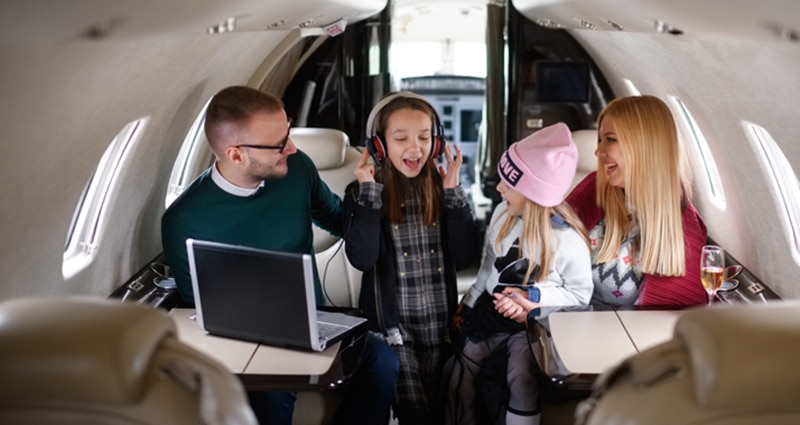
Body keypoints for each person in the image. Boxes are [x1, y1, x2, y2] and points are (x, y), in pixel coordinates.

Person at [161, 85, 398, 425]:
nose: (292, 147)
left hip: (316, 319)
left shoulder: (297, 169)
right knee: (273, 394)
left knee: (384, 362)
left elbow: (338, 220)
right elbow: (197, 309)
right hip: (243, 339)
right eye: (278, 144)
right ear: (236, 154)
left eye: (287, 131)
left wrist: (372, 199)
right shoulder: (184, 220)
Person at [343, 92, 479, 425]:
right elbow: (362, 258)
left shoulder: (444, 190)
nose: (414, 147)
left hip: (439, 328)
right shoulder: (361, 194)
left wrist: (453, 193)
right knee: (416, 415)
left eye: (424, 138)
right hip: (393, 330)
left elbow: (465, 255)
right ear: (379, 145)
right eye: (401, 138)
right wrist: (370, 195)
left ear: (437, 144)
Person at [444, 122, 593, 425]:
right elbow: (489, 265)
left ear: (534, 193)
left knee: (521, 377)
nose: (499, 188)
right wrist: (469, 303)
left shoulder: (566, 240)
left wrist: (533, 296)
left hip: (532, 322)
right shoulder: (503, 214)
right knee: (461, 370)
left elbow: (580, 293)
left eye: (508, 185)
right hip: (490, 313)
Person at [565, 94, 708, 307]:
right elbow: (550, 248)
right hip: (559, 318)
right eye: (600, 140)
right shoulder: (597, 187)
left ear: (643, 146)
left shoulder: (681, 226)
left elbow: (666, 322)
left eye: (610, 139)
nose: (598, 151)